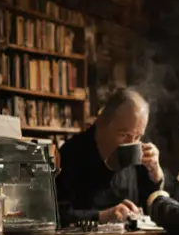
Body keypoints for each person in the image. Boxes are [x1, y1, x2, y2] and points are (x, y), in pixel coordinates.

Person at [55, 88, 164, 225]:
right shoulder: (71, 153)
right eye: (123, 135)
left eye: (138, 137)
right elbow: (57, 213)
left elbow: (150, 204)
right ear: (102, 123)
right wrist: (102, 216)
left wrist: (156, 176)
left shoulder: (138, 153)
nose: (131, 144)